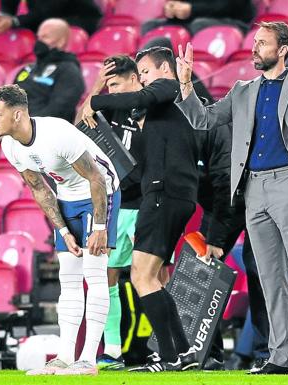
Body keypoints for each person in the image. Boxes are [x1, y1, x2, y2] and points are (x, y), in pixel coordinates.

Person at [176, 21, 288, 375]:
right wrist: (186, 83)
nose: (254, 48)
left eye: (262, 43)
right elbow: (203, 119)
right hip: (253, 190)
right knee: (269, 280)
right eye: (254, 42)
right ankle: (281, 358)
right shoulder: (243, 90)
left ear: (282, 50)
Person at [0, 84, 120, 376]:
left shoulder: (56, 133)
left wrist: (100, 227)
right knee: (68, 277)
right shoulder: (9, 144)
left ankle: (88, 360)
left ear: (18, 115)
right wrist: (63, 230)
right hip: (67, 195)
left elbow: (97, 178)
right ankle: (64, 357)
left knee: (94, 273)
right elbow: (39, 189)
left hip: (99, 190)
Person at [82, 47, 200, 372]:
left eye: (145, 72)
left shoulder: (167, 89)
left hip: (164, 193)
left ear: (164, 68)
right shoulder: (155, 114)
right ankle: (184, 353)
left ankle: (168, 357)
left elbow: (142, 97)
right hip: (170, 193)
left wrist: (95, 100)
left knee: (141, 276)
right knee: (153, 279)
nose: (144, 79)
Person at [77, 55, 146, 371]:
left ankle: (155, 346)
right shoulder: (105, 107)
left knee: (154, 275)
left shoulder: (149, 105)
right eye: (107, 85)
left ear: (134, 79)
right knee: (108, 276)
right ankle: (114, 349)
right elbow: (79, 127)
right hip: (118, 201)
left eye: (115, 84)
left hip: (146, 201)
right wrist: (96, 86)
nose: (110, 91)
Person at [13, 18, 84, 122]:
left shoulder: (69, 71)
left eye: (45, 37)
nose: (39, 42)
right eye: (38, 37)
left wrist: (29, 124)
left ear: (61, 41)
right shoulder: (27, 69)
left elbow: (59, 110)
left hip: (47, 130)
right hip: (18, 129)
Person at [141, 0, 256, 35]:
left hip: (233, 21)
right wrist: (172, 8)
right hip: (192, 20)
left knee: (199, 24)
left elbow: (230, 6)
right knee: (150, 25)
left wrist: (192, 9)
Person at [0, 0, 102, 35]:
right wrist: (3, 17)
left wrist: (13, 21)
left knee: (50, 30)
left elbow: (46, 12)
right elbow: (8, 4)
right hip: (46, 20)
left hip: (79, 20)